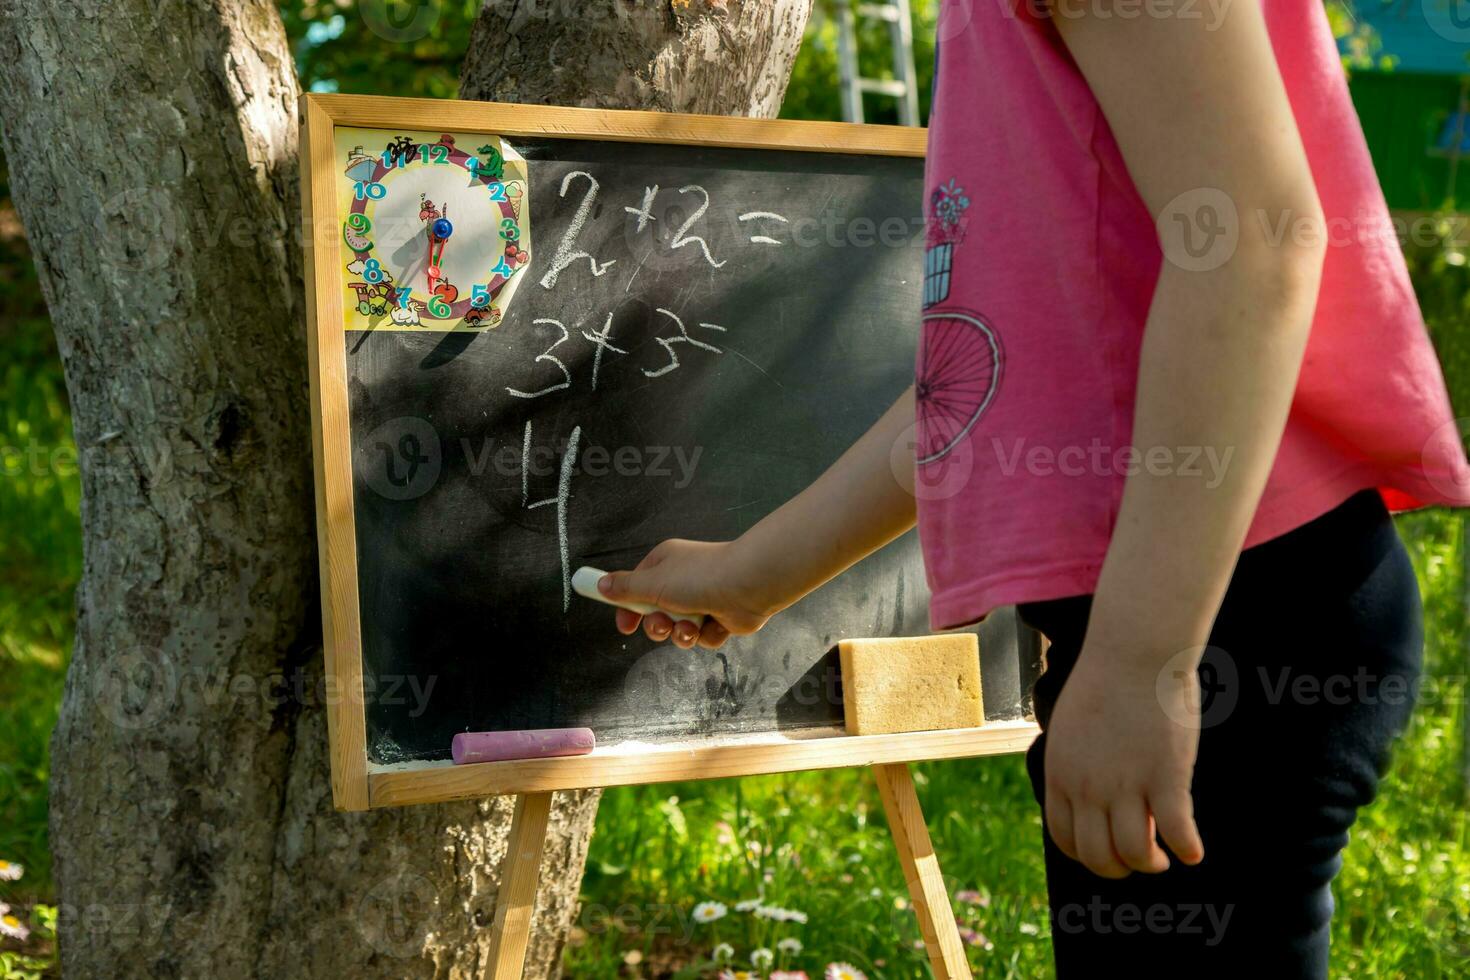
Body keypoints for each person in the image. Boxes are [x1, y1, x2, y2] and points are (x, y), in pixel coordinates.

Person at [596, 0, 1470, 973]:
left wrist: (1146, 659)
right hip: (1189, 620)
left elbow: (1254, 246)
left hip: (1237, 619)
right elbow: (985, 389)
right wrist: (756, 570)